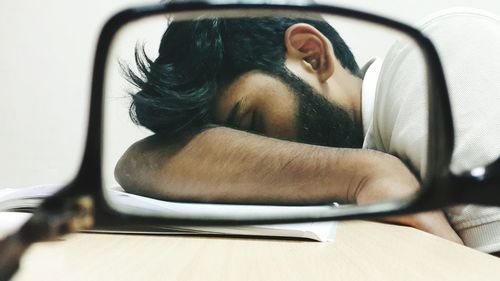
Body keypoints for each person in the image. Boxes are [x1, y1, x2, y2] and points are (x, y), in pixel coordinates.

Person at [115, 9, 500, 251]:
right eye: (227, 143)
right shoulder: (373, 149)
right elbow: (138, 163)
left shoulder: (438, 60)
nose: (254, 154)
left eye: (249, 123)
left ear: (311, 54)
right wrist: (365, 173)